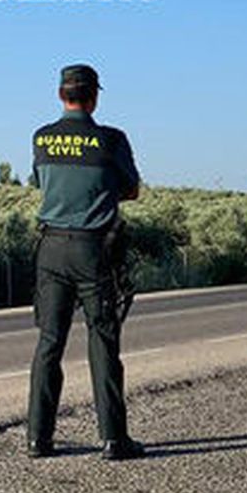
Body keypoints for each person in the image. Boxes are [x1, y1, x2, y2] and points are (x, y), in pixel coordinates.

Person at [27, 63, 145, 460]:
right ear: (93, 97)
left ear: (61, 95)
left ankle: (38, 439)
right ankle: (114, 439)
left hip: (51, 250)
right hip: (94, 251)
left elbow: (40, 184)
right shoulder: (111, 140)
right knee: (103, 341)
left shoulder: (41, 139)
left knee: (49, 343)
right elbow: (132, 189)